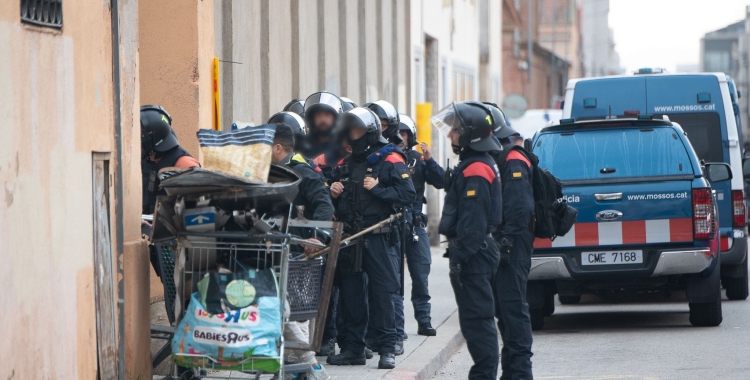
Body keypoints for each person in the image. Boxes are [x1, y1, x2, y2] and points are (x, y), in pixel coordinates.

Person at [326, 107, 416, 369]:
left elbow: (407, 194)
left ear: (371, 131)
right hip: (351, 238)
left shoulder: (390, 159)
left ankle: (388, 348)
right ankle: (353, 348)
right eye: (350, 131)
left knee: (383, 294)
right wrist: (333, 192)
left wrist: (378, 190)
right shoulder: (347, 162)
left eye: (358, 130)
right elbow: (340, 201)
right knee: (352, 294)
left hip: (378, 236)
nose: (353, 136)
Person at [433, 101, 502, 380]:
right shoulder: (475, 164)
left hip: (474, 252)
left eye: (455, 130)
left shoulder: (475, 169)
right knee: (475, 319)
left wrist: (461, 257)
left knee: (478, 319)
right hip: (476, 251)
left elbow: (472, 221)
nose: (450, 135)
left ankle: (483, 375)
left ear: (471, 133)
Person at [270, 123, 333, 380]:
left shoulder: (302, 172)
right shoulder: (270, 172)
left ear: (277, 147)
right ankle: (294, 364)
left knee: (294, 311)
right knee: (285, 310)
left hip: (297, 255)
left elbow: (323, 204)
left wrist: (316, 237)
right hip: (273, 252)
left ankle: (306, 363)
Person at [487, 104, 534, 380]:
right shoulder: (496, 156)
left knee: (513, 308)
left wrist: (505, 243)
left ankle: (520, 373)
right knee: (503, 309)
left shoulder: (513, 158)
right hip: (502, 243)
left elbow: (520, 208)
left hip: (513, 244)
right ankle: (512, 372)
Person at [396, 114, 443, 337]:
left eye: (404, 134)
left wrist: (430, 160)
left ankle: (424, 320)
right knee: (392, 278)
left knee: (421, 271)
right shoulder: (385, 158)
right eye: (397, 134)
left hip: (415, 224)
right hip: (392, 224)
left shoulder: (418, 158)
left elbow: (441, 181)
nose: (400, 138)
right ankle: (396, 325)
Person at [141, 105, 200, 215]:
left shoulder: (183, 163)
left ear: (152, 138)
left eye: (141, 135)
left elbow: (196, 206)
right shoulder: (144, 159)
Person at [303, 91, 344, 158]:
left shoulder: (343, 145)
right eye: (318, 115)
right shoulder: (304, 146)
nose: (323, 120)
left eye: (327, 115)